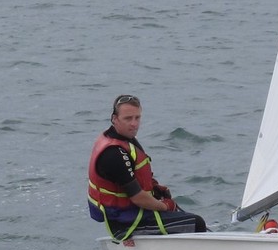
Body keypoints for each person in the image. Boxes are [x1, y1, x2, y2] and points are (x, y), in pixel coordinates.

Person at [87, 94, 208, 239]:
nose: (134, 124)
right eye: (128, 118)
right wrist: (166, 206)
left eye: (137, 118)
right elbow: (138, 198)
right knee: (196, 223)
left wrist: (155, 189)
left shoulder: (125, 139)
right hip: (127, 224)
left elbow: (136, 178)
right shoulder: (113, 154)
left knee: (181, 214)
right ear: (114, 119)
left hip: (135, 213)